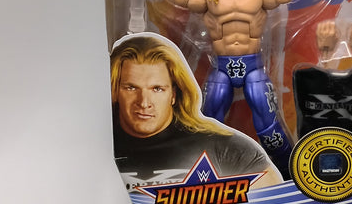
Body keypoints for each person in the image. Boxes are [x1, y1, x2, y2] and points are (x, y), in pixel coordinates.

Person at [145, 0, 352, 178]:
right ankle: (196, 174)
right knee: (207, 122)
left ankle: (289, 175)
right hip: (221, 67)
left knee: (268, 125)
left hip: (253, 67)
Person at [110, 33, 282, 188]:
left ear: (174, 94)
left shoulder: (224, 148)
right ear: (115, 91)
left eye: (157, 89)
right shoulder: (99, 147)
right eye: (131, 88)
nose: (144, 102)